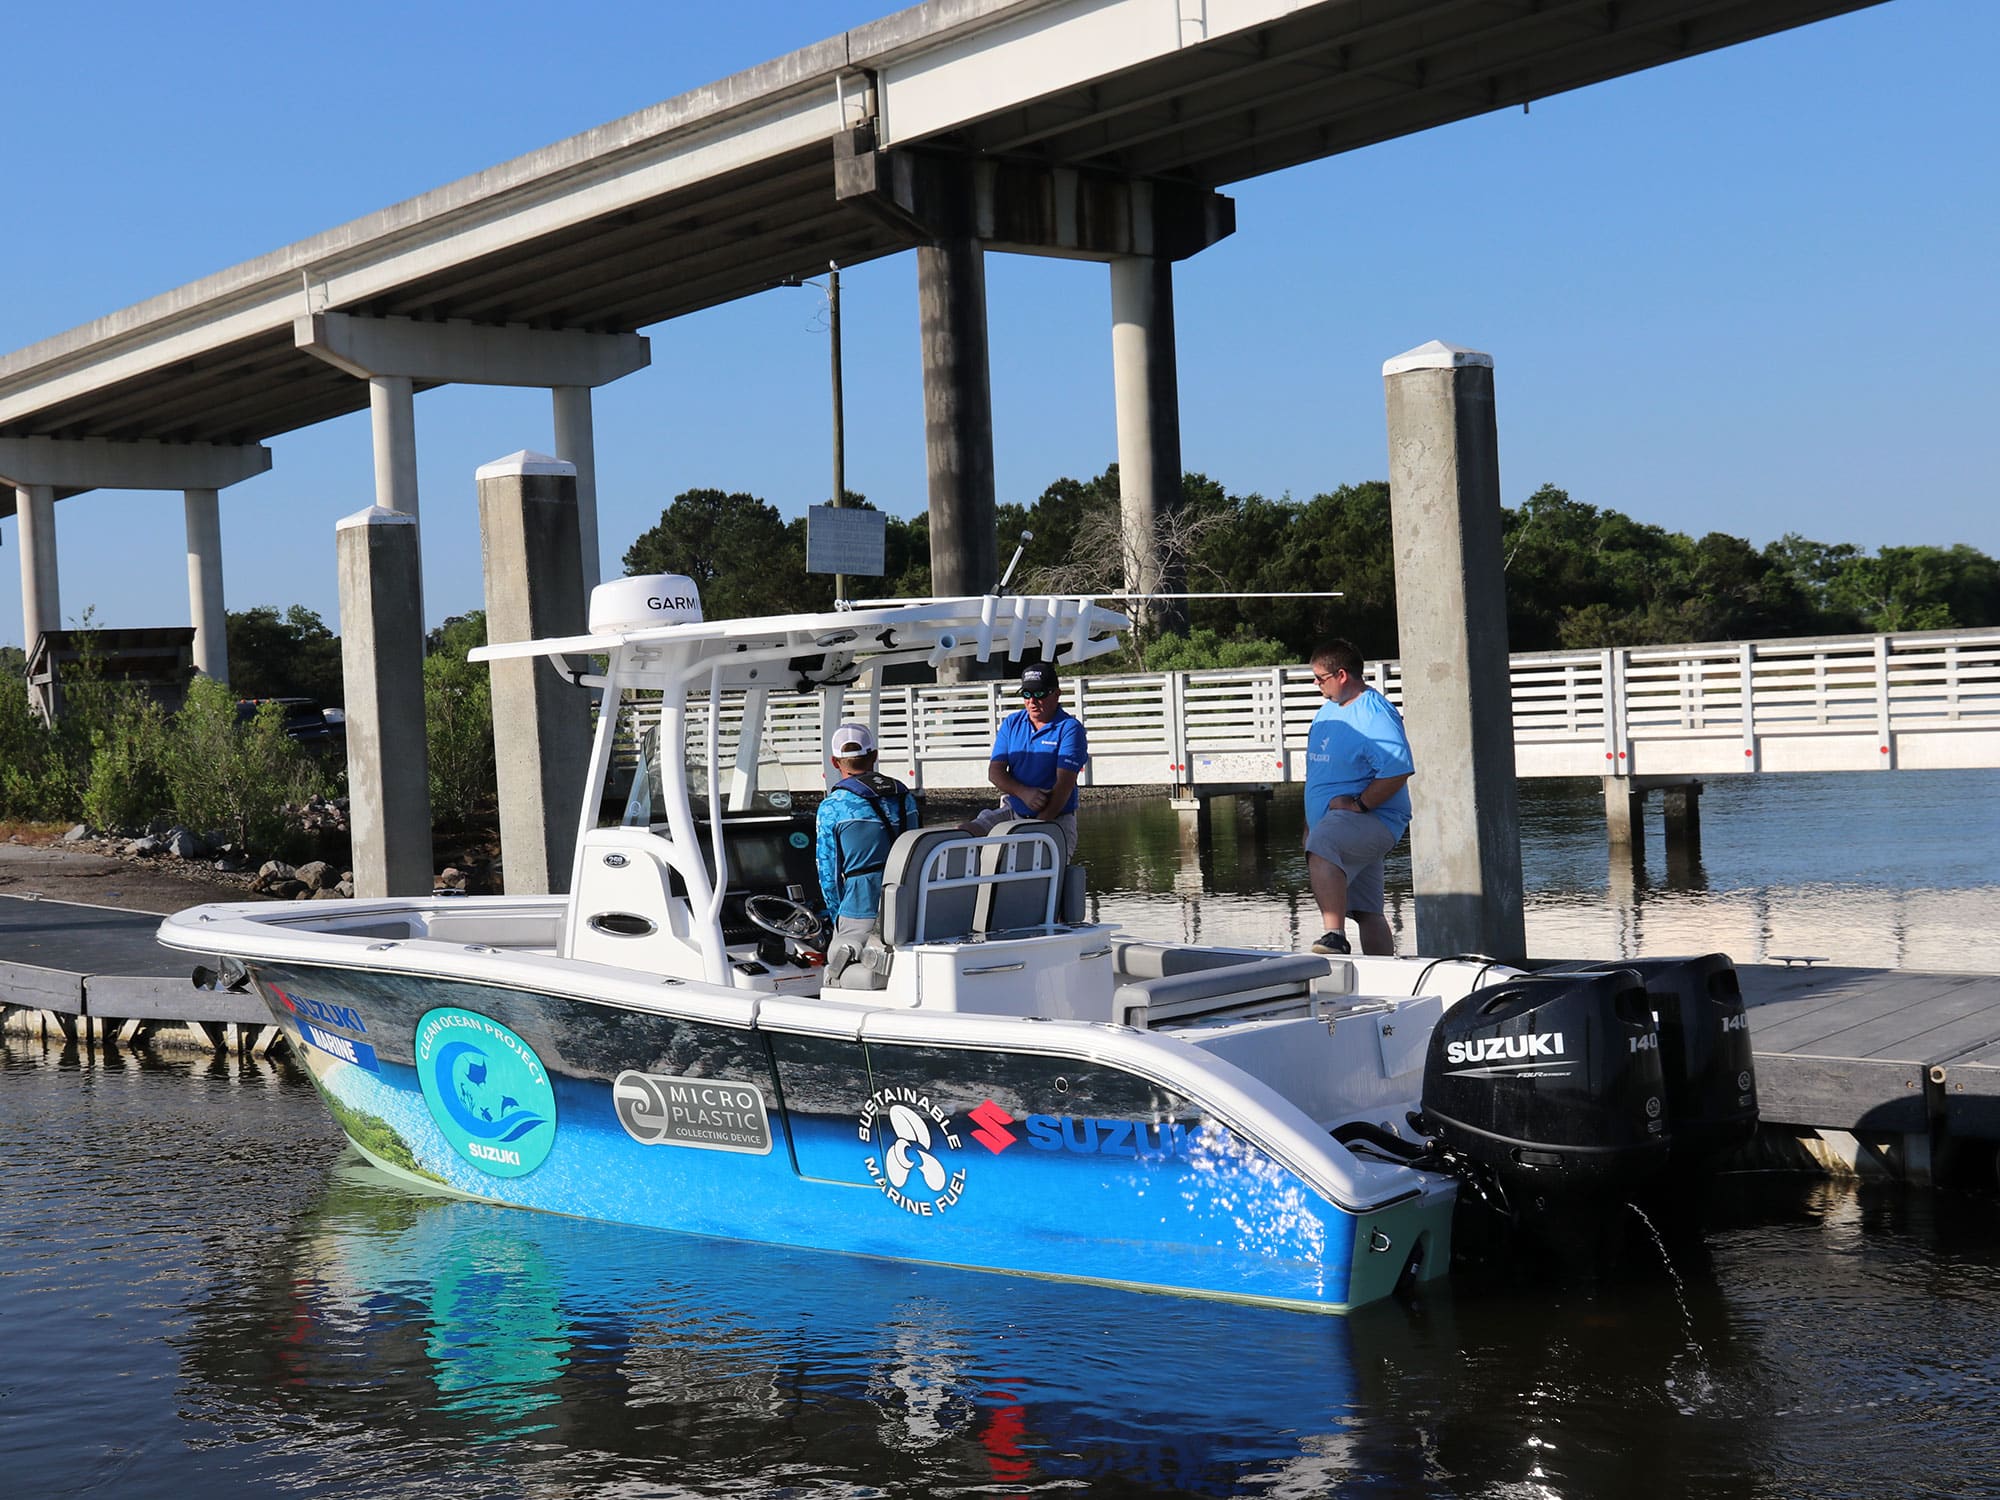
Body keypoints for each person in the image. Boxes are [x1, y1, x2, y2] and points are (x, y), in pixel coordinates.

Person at [1301, 640, 1413, 956]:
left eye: (1320, 678)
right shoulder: (1328, 712)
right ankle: (1387, 972)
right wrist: (1309, 823)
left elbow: (1397, 769)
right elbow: (1316, 774)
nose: (1316, 684)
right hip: (1337, 821)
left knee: (1322, 850)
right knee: (1367, 910)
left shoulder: (1374, 713)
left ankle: (1334, 936)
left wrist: (1359, 804)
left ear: (1341, 674)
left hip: (1371, 819)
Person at [957, 660, 1088, 860]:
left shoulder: (1070, 728)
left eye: (1040, 693)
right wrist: (1024, 793)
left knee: (1035, 870)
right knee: (964, 832)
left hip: (1055, 819)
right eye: (1027, 694)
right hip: (1012, 811)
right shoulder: (1012, 723)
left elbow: (1064, 786)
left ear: (1056, 694)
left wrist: (1033, 829)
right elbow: (995, 772)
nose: (1032, 701)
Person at [815, 722, 922, 945]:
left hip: (859, 910)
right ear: (874, 755)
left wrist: (838, 917)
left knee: (843, 974)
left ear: (835, 762)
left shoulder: (833, 806)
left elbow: (829, 875)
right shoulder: (905, 798)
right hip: (907, 907)